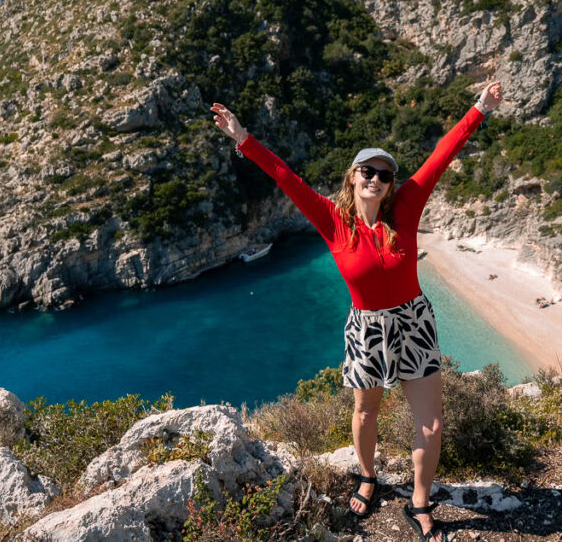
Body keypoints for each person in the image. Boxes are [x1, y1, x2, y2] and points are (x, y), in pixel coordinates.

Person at [211, 81, 503, 541]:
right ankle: (367, 476)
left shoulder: (406, 208)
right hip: (366, 327)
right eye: (367, 170)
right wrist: (243, 139)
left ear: (391, 186)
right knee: (366, 413)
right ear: (352, 177)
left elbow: (440, 157)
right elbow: (287, 178)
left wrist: (479, 109)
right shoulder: (332, 220)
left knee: (431, 421)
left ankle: (420, 501)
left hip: (414, 322)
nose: (375, 179)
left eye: (384, 174)